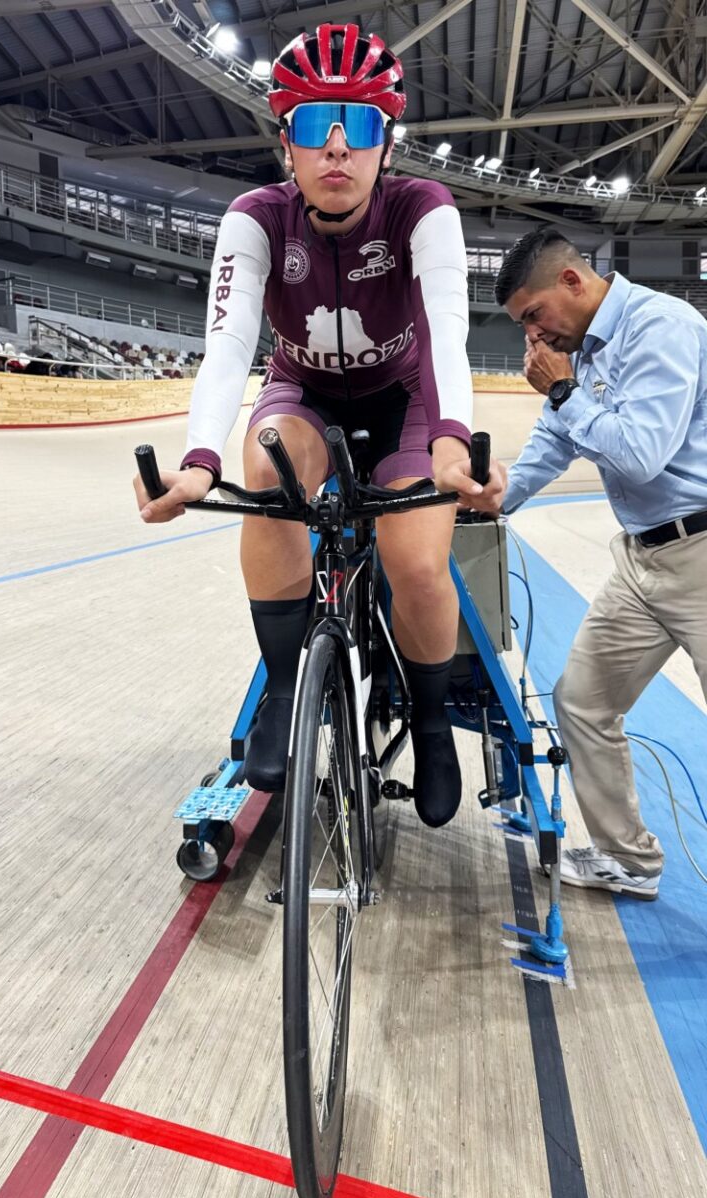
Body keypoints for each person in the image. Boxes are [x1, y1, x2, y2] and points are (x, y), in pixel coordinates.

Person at [134, 23, 506, 826]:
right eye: (314, 126)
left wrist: (449, 440)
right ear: (288, 146)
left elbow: (447, 327)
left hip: (402, 403)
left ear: (386, 145)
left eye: (359, 126)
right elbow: (229, 346)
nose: (337, 148)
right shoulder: (255, 217)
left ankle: (434, 723)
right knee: (264, 462)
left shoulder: (424, 207)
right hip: (303, 393)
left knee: (416, 562)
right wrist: (198, 461)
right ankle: (280, 689)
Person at [491, 227, 707, 900]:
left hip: (701, 555)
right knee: (582, 701)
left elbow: (640, 452)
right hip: (643, 558)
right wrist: (491, 502)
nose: (533, 335)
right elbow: (552, 446)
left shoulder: (662, 327)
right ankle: (629, 861)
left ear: (573, 283)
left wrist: (562, 391)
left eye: (534, 316)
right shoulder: (576, 352)